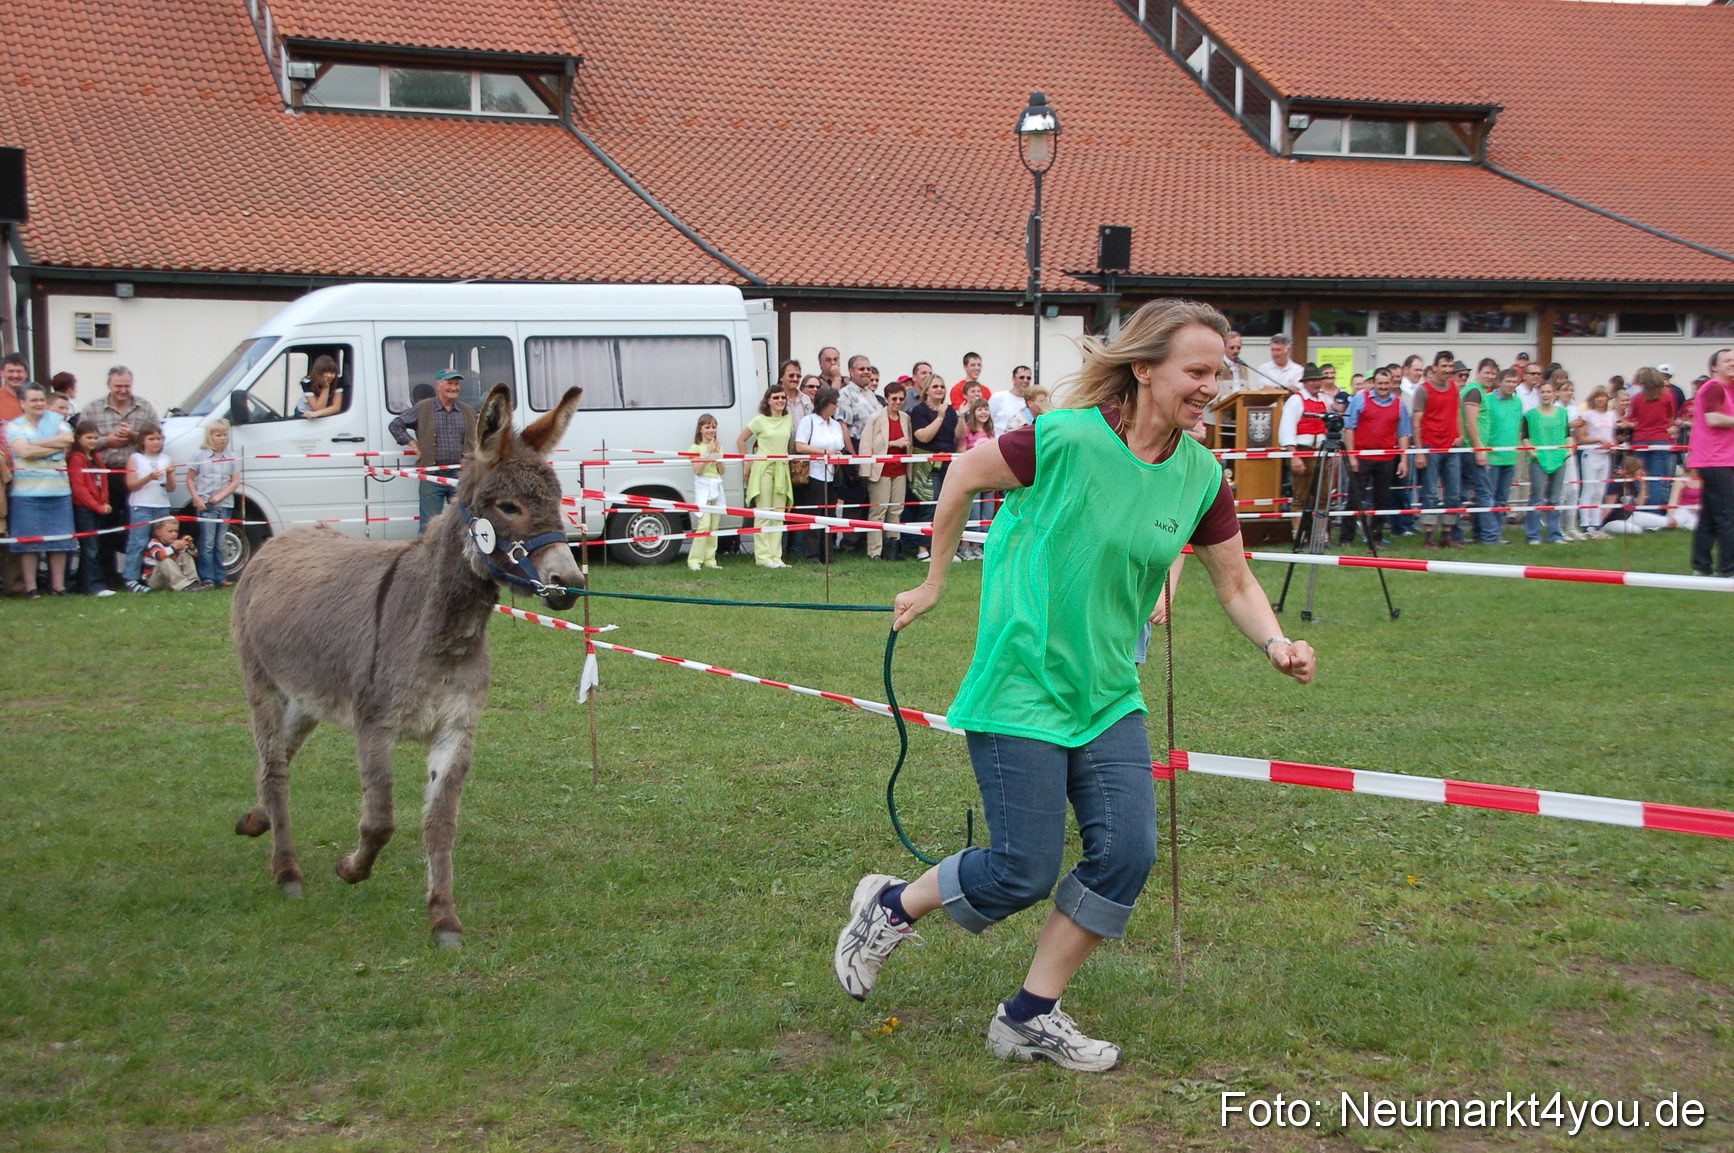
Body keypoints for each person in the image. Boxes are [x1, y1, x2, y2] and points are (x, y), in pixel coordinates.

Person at [832, 299, 1315, 1072]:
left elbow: (1235, 582)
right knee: (1020, 868)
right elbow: (963, 470)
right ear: (1144, 368)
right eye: (1196, 371)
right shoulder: (1063, 438)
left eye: (1218, 374)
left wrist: (1276, 641)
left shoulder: (1200, 476)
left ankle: (1028, 1017)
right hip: (1022, 680)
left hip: (1108, 693)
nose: (1210, 388)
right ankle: (890, 906)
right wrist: (933, 581)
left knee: (1126, 853)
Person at [81, 365, 159, 591]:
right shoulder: (93, 409)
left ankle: (140, 575)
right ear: (109, 384)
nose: (123, 390)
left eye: (127, 386)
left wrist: (134, 436)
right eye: (118, 386)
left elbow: (158, 437)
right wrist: (108, 441)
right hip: (105, 475)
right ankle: (108, 576)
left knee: (139, 526)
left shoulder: (144, 407)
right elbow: (80, 441)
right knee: (106, 526)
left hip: (139, 476)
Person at [6, 382, 76, 597]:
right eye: (33, 400)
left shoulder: (57, 420)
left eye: (42, 399)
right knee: (29, 543)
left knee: (60, 541)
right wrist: (53, 445)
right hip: (26, 494)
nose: (39, 403)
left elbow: (68, 439)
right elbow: (24, 452)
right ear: (22, 402)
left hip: (59, 492)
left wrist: (34, 444)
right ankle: (32, 587)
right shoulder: (14, 426)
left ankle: (58, 586)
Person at [388, 369, 476, 533]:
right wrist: (412, 443)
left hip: (461, 475)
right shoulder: (424, 408)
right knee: (428, 526)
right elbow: (396, 425)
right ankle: (426, 550)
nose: (454, 388)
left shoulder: (467, 411)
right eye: (449, 383)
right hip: (432, 474)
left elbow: (484, 433)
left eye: (456, 384)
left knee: (465, 525)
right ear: (438, 385)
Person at [1341, 367, 1411, 545]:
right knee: (1354, 498)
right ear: (1373, 383)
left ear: (1391, 383)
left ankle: (1375, 537)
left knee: (1382, 500)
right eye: (1380, 383)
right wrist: (1351, 456)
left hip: (1386, 458)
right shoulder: (1360, 399)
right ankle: (1346, 538)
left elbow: (1403, 434)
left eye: (1386, 383)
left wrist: (1403, 460)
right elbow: (1349, 428)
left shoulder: (1399, 404)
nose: (1383, 387)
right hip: (1362, 456)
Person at [1686, 348, 1734, 576]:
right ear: (1715, 366)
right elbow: (1713, 418)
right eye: (1727, 360)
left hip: (1719, 459)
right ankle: (1728, 568)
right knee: (1727, 514)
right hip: (1716, 459)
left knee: (1710, 516)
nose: (1732, 363)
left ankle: (1701, 565)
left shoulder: (1728, 388)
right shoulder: (1714, 387)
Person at [1410, 350, 1464, 549]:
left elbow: (1457, 412)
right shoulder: (1423, 390)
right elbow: (1416, 422)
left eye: (1450, 366)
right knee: (1430, 493)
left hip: (1451, 447)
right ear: (1434, 368)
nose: (1448, 370)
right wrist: (1420, 451)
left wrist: (1461, 435)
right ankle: (1429, 536)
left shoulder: (1454, 387)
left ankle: (1447, 535)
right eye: (1444, 366)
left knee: (1454, 494)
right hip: (1430, 446)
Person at [794, 387, 852, 563]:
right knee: (814, 513)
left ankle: (827, 553)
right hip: (814, 474)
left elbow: (839, 445)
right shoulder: (808, 421)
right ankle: (811, 555)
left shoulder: (835, 425)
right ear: (824, 403)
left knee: (829, 514)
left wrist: (838, 453)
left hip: (832, 475)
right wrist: (823, 452)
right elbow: (799, 446)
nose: (836, 406)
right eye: (834, 403)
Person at [907, 377, 961, 563]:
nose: (939, 389)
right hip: (928, 466)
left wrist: (961, 416)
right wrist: (940, 417)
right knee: (929, 505)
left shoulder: (949, 410)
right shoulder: (920, 410)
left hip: (948, 464)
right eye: (935, 386)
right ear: (927, 390)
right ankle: (922, 549)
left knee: (949, 508)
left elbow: (958, 435)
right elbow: (923, 437)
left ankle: (944, 550)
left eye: (942, 386)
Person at [738, 387, 792, 568]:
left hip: (782, 469)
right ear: (768, 400)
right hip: (764, 469)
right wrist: (747, 463)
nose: (780, 400)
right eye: (776, 397)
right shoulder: (759, 420)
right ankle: (763, 557)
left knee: (778, 514)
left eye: (783, 397)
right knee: (763, 513)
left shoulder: (788, 419)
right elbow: (741, 440)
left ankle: (776, 556)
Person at [1278, 363, 1332, 542]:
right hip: (1303, 451)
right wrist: (1294, 456)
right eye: (1312, 380)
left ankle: (1320, 536)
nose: (1316, 383)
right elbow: (1287, 429)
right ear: (1305, 382)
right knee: (1300, 496)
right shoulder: (1296, 400)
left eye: (1318, 380)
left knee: (1323, 496)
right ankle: (1298, 536)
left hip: (1321, 451)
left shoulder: (1324, 399)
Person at [186, 418, 240, 588]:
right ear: (210, 436)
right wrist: (197, 499)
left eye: (225, 435)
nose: (223, 438)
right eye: (218, 435)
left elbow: (234, 481)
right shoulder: (199, 455)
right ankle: (207, 577)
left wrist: (220, 496)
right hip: (206, 505)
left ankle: (221, 576)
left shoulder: (231, 457)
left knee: (220, 542)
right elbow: (190, 479)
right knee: (207, 542)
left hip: (225, 505)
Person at [122, 421, 174, 593]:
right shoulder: (136, 458)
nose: (156, 442)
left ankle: (155, 577)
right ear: (142, 440)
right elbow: (131, 485)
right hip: (141, 506)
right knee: (138, 543)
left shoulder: (166, 459)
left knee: (161, 544)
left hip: (162, 506)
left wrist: (170, 475)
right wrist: (149, 478)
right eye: (151, 439)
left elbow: (172, 488)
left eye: (159, 438)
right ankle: (131, 579)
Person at [862, 379, 911, 560]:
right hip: (880, 470)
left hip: (900, 470)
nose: (898, 402)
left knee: (896, 510)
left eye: (901, 399)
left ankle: (893, 549)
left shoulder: (906, 418)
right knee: (878, 511)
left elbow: (909, 444)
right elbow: (867, 445)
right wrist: (893, 443)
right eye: (894, 399)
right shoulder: (875, 418)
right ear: (886, 399)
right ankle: (874, 551)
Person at [68, 420, 115, 595]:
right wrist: (96, 506)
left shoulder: (96, 457)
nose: (93, 441)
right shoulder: (76, 458)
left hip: (98, 507)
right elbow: (79, 488)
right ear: (78, 438)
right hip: (84, 508)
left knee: (95, 546)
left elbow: (104, 481)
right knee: (90, 548)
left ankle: (86, 583)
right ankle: (92, 585)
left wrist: (105, 502)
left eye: (95, 438)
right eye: (89, 437)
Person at [1521, 381, 1570, 545]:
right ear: (1539, 394)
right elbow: (1525, 436)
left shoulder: (1562, 413)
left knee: (1555, 499)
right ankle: (1533, 535)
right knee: (1536, 498)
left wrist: (1569, 450)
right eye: (1542, 392)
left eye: (1549, 391)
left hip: (1559, 458)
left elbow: (1567, 434)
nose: (1546, 395)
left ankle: (1555, 534)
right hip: (1539, 459)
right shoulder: (1530, 415)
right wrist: (1532, 452)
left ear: (1554, 393)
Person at [1626, 367, 1678, 512]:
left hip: (1640, 439)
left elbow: (1631, 417)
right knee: (1656, 477)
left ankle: (1641, 507)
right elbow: (1671, 416)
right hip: (1660, 439)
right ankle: (1654, 511)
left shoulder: (1637, 398)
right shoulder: (1668, 396)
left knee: (1639, 474)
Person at [1574, 385, 1619, 537]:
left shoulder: (1611, 415)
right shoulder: (1587, 415)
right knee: (1588, 489)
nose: (1600, 399)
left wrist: (1612, 445)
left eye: (1603, 396)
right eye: (1597, 396)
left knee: (1600, 491)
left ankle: (1596, 523)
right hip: (1591, 454)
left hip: (1605, 455)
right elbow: (1581, 438)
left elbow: (1611, 434)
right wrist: (1598, 439)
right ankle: (1585, 523)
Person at [959, 398, 996, 560]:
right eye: (979, 409)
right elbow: (960, 453)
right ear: (973, 413)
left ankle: (977, 546)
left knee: (986, 514)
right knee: (971, 514)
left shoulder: (990, 432)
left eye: (986, 409)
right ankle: (965, 546)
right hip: (973, 478)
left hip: (990, 478)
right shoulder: (967, 431)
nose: (983, 412)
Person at [687, 413, 725, 572]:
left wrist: (717, 456)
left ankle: (710, 559)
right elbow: (698, 470)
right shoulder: (695, 448)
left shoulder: (719, 446)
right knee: (704, 525)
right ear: (700, 429)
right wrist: (708, 453)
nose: (711, 430)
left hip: (716, 486)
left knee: (714, 525)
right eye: (707, 427)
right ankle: (694, 560)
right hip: (703, 488)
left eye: (713, 427)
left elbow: (722, 471)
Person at [141, 515, 201, 591]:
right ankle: (184, 586)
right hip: (154, 579)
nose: (174, 534)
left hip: (169, 578)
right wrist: (174, 547)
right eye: (170, 531)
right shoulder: (154, 543)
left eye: (176, 531)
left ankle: (193, 582)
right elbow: (159, 555)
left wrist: (191, 546)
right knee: (164, 560)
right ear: (158, 532)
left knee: (185, 555)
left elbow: (195, 555)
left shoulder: (175, 543)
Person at [989, 364, 1030, 433]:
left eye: (1028, 378)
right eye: (1021, 377)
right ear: (1013, 379)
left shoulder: (1030, 402)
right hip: (999, 438)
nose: (1025, 380)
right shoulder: (998, 397)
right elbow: (986, 420)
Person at [778, 359, 811, 426]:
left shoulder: (806, 399)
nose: (795, 379)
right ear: (781, 377)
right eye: (791, 375)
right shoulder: (775, 399)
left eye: (798, 376)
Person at [0, 352, 27, 422]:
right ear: (2, 373)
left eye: (19, 371)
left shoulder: (36, 399)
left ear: (26, 374)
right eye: (11, 371)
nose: (15, 375)